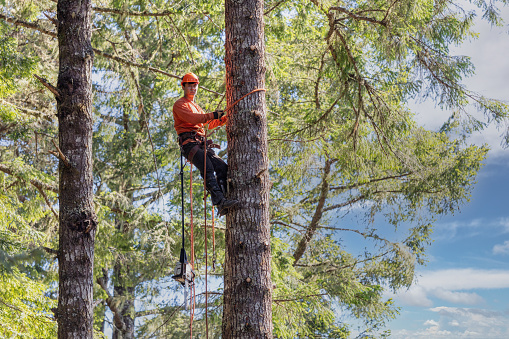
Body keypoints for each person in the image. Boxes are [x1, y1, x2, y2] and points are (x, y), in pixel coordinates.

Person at [173, 72, 238, 216]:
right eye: (190, 86)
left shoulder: (196, 106)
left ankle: (225, 197)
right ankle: (220, 202)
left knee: (221, 167)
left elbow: (208, 123)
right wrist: (213, 115)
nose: (192, 89)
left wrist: (223, 118)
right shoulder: (179, 104)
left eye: (195, 86)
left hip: (201, 144)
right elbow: (194, 119)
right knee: (207, 168)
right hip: (190, 144)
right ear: (184, 87)